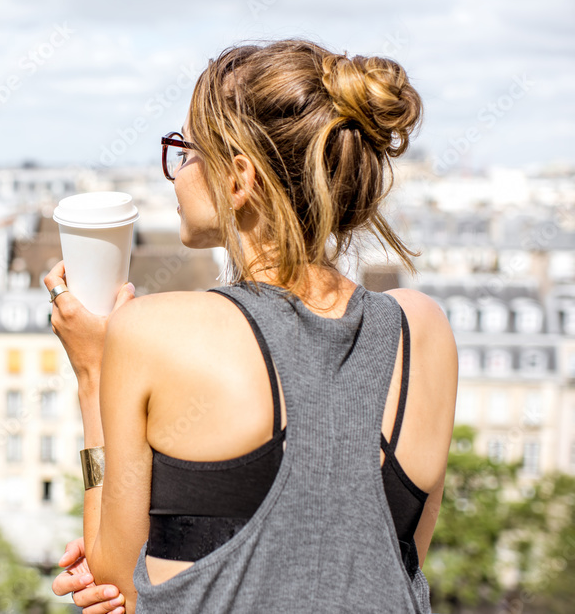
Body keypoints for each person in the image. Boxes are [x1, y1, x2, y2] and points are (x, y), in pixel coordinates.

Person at [45, 39, 458, 613]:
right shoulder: (424, 330)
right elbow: (381, 556)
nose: (176, 173)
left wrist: (92, 373)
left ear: (239, 179)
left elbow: (118, 584)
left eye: (186, 151)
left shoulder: (151, 332)